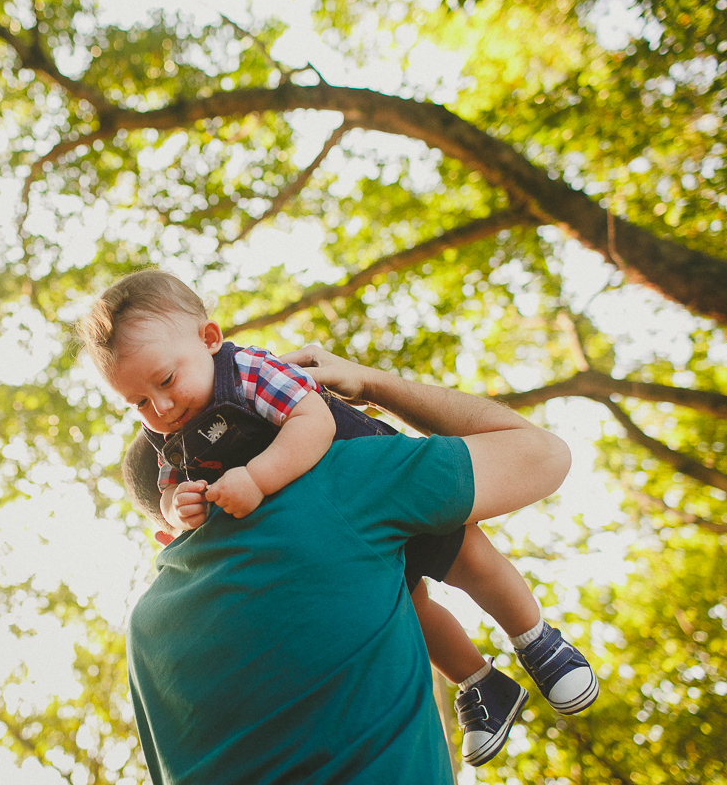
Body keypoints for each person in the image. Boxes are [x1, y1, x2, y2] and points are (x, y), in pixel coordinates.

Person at [78, 270, 597, 773]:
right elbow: (545, 456)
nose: (161, 407)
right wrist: (370, 382)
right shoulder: (188, 443)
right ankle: (479, 680)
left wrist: (252, 481)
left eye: (165, 382)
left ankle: (535, 640)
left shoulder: (144, 640)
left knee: (467, 560)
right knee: (417, 602)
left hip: (338, 456)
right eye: (139, 403)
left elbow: (313, 419)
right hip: (359, 496)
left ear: (211, 338)